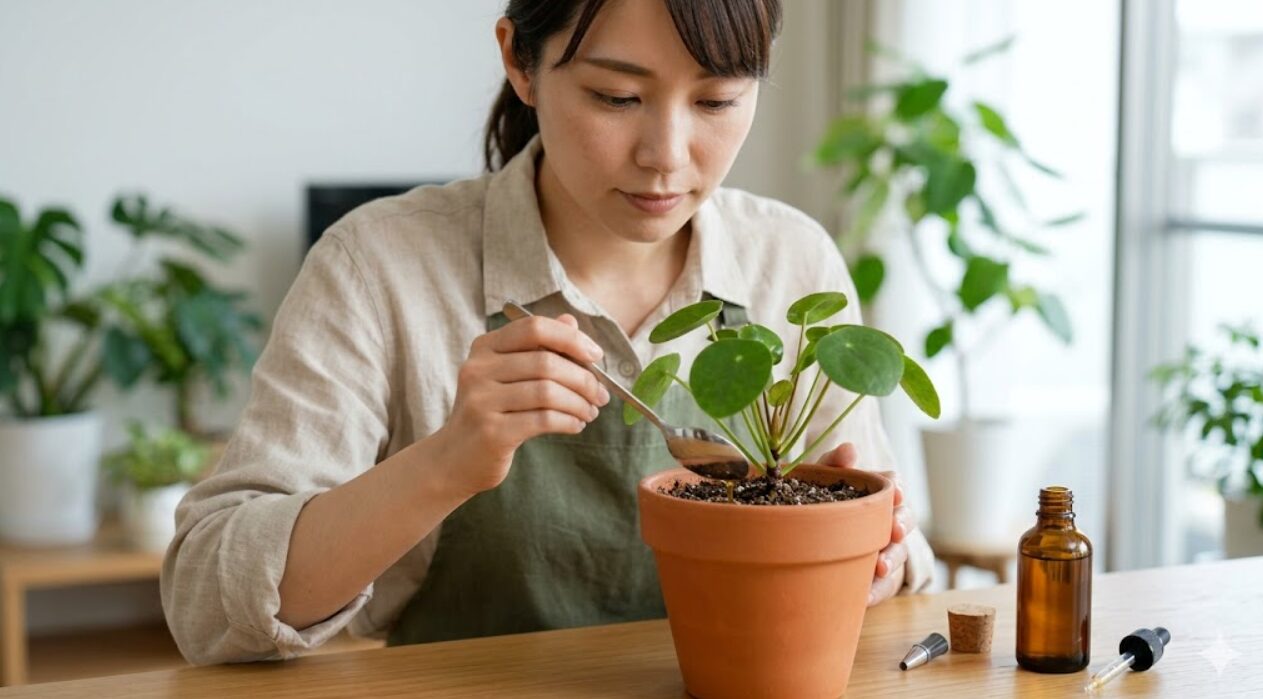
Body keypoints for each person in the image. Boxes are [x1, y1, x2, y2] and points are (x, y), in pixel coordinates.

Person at [161, 0, 935, 664]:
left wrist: (874, 552)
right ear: (519, 62)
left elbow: (902, 566)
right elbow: (205, 602)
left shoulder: (790, 258)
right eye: (616, 96)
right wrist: (447, 461)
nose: (665, 157)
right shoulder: (380, 264)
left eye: (716, 101)